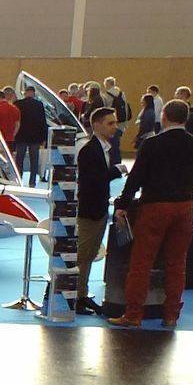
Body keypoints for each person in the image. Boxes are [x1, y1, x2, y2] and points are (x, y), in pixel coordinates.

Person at [110, 99, 193, 328]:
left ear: (163, 116)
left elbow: (135, 178)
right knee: (177, 263)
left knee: (141, 262)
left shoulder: (152, 144)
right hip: (185, 207)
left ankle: (134, 313)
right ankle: (171, 315)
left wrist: (123, 204)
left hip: (154, 207)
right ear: (185, 119)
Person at [75, 107, 123, 311]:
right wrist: (115, 171)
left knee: (90, 252)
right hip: (89, 210)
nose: (115, 127)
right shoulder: (89, 150)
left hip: (99, 208)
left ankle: (81, 294)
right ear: (97, 125)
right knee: (83, 254)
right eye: (110, 123)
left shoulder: (104, 149)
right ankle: (76, 297)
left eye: (115, 123)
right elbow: (92, 181)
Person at [13, 84, 48, 186]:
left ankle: (19, 178)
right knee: (34, 160)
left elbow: (16, 121)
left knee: (19, 159)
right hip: (35, 137)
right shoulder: (39, 105)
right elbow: (43, 122)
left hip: (21, 135)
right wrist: (43, 137)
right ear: (33, 93)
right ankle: (32, 182)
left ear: (25, 93)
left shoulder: (18, 104)